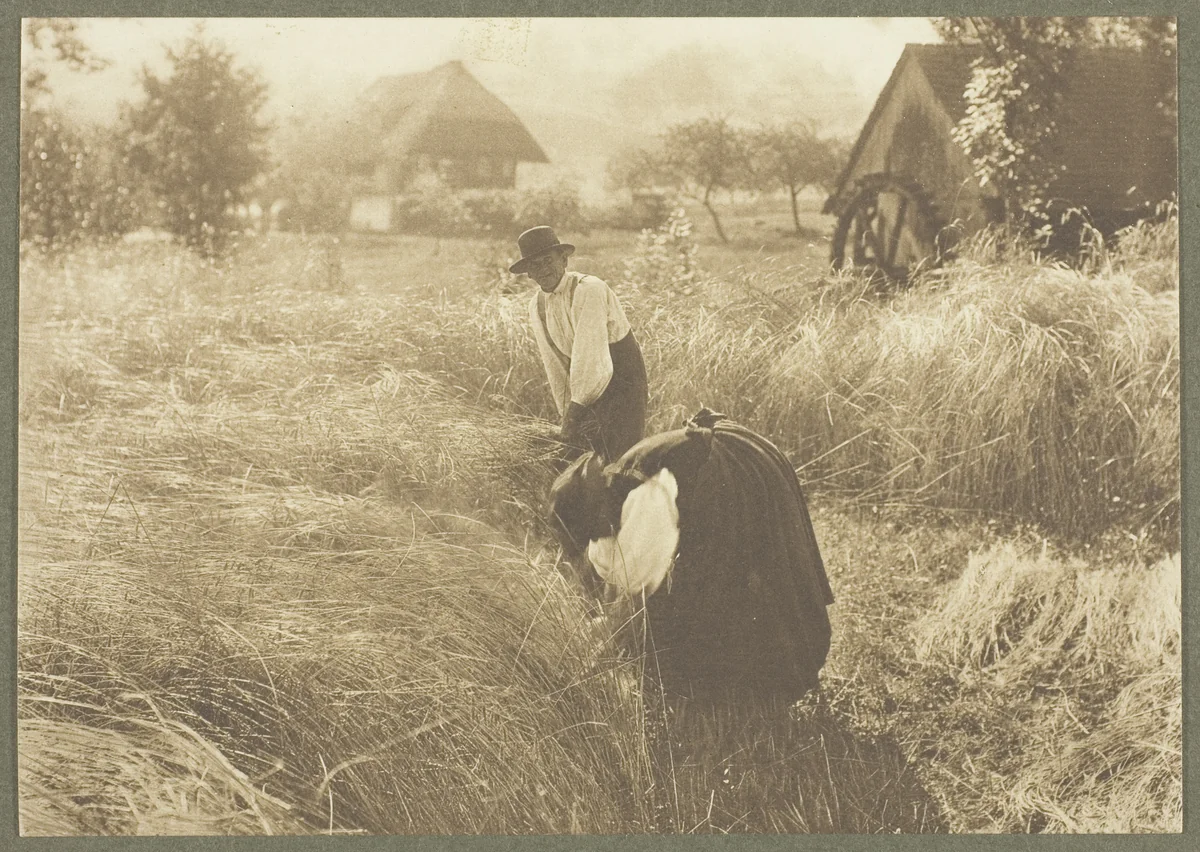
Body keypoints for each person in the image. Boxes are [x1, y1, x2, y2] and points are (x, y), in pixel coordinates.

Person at [548, 407, 833, 704]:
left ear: (595, 516)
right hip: (731, 454)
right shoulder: (613, 486)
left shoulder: (643, 500)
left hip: (740, 469)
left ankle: (767, 685)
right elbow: (619, 577)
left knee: (747, 576)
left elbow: (639, 593)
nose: (595, 539)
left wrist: (603, 650)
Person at [510, 226, 648, 462]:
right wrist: (566, 414)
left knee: (620, 461)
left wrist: (574, 414)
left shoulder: (589, 289)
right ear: (528, 274)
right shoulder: (537, 305)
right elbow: (555, 364)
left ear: (564, 260)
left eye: (548, 260)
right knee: (580, 459)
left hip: (621, 382)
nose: (543, 269)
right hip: (585, 383)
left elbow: (592, 359)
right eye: (535, 265)